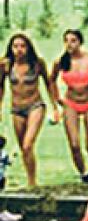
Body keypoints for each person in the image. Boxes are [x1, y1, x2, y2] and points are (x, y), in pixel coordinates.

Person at [0, 33, 59, 187]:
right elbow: (0, 87)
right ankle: (30, 178)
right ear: (11, 48)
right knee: (24, 149)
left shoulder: (37, 64)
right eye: (15, 46)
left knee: (27, 144)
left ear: (28, 47)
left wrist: (55, 107)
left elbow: (49, 83)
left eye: (22, 46)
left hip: (35, 106)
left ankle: (32, 184)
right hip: (16, 109)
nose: (19, 50)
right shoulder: (5, 65)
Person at [50, 29, 88, 175]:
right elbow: (51, 80)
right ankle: (84, 174)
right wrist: (57, 98)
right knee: (74, 145)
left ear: (80, 42)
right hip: (71, 103)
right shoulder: (61, 61)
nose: (69, 44)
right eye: (66, 41)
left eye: (73, 41)